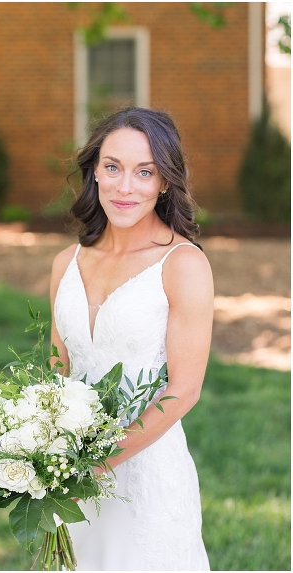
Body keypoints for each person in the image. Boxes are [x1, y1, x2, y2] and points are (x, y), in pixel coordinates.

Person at [49, 108, 212, 570]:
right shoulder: (65, 263)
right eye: (113, 167)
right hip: (68, 472)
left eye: (145, 172)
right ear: (94, 171)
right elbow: (59, 367)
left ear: (164, 182)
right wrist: (41, 449)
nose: (125, 187)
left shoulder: (183, 265)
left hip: (146, 478)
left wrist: (94, 467)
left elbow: (183, 390)